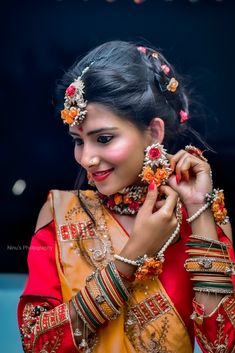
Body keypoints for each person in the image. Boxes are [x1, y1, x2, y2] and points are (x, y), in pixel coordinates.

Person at [18, 40, 235, 353]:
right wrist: (130, 257)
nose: (86, 158)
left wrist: (199, 210)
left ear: (154, 132)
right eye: (78, 141)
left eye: (103, 138)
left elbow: (222, 345)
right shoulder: (60, 214)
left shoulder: (199, 222)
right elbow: (37, 343)